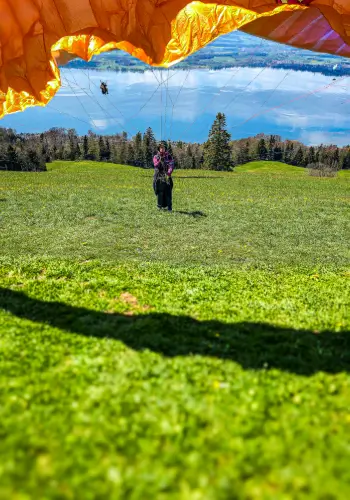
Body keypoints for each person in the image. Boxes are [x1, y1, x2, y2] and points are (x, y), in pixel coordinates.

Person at [153, 144, 174, 211]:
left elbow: (171, 165)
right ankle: (159, 206)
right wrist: (160, 161)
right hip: (158, 176)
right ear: (159, 149)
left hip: (167, 176)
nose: (162, 149)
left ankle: (169, 207)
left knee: (168, 191)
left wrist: (168, 172)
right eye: (160, 148)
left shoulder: (169, 156)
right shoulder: (156, 156)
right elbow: (155, 165)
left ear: (165, 148)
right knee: (160, 191)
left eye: (163, 148)